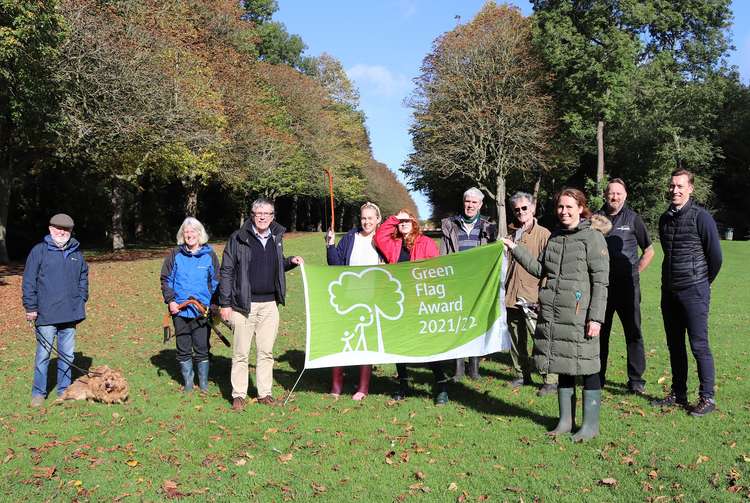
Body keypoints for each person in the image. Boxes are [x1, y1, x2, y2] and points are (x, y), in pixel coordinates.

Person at [503, 188, 610, 441]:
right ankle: (565, 421)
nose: (564, 212)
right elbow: (540, 268)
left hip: (581, 316)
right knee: (561, 365)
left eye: (569, 207)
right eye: (560, 207)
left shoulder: (592, 238)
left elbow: (601, 281)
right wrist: (515, 248)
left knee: (589, 367)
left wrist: (596, 317)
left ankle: (590, 426)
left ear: (581, 208)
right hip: (554, 314)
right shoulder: (555, 238)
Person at [219, 199, 304, 411]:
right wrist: (225, 303)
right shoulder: (238, 238)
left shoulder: (276, 237)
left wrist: (289, 261)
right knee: (241, 353)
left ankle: (264, 393)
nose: (263, 217)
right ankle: (239, 394)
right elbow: (227, 271)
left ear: (273, 216)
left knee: (266, 352)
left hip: (270, 305)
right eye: (259, 213)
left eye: (267, 213)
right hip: (243, 305)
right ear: (252, 215)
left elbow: (275, 264)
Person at [652, 169, 722, 417]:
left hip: (694, 291)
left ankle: (707, 398)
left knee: (699, 345)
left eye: (680, 186)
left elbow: (716, 257)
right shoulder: (665, 219)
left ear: (690, 188)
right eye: (672, 186)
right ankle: (678, 393)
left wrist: (702, 282)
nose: (675, 190)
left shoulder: (701, 217)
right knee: (674, 345)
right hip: (669, 292)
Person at [374, 208, 450, 405]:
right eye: (401, 221)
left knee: (429, 343)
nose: (404, 223)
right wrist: (395, 218)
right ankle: (403, 383)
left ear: (414, 222)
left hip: (421, 301)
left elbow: (435, 271)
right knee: (400, 343)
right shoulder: (393, 243)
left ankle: (441, 385)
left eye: (407, 220)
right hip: (399, 302)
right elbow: (380, 234)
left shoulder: (426, 243)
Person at [22, 214, 89, 408]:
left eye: (65, 229)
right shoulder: (39, 251)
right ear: (50, 229)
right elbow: (28, 281)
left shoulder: (77, 252)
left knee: (67, 355)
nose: (61, 232)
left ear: (70, 232)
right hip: (45, 314)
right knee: (43, 355)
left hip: (70, 313)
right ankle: (38, 393)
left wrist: (82, 296)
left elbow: (83, 276)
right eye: (58, 228)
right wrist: (30, 307)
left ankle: (64, 391)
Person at [596, 179, 654, 393]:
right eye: (611, 193)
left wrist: (635, 271)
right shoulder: (596, 218)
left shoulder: (633, 219)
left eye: (619, 193)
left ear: (625, 195)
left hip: (628, 287)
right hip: (602, 287)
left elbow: (649, 250)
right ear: (606, 195)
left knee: (633, 332)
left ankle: (636, 380)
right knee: (600, 332)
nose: (615, 197)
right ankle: (597, 377)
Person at [325, 202, 384, 400]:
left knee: (365, 342)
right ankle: (336, 385)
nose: (366, 221)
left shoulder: (383, 240)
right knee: (341, 340)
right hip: (348, 298)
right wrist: (330, 244)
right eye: (364, 218)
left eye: (370, 218)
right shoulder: (350, 238)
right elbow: (335, 264)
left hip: (372, 299)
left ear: (378, 220)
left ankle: (363, 387)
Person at [440, 187, 497, 380]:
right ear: (463, 203)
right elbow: (444, 254)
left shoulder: (489, 227)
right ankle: (458, 369)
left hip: (479, 283)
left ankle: (474, 368)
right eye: (468, 201)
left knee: (476, 324)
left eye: (474, 202)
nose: (470, 205)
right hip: (457, 282)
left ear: (481, 205)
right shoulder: (450, 225)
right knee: (458, 324)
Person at [503, 192, 556, 396]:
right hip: (511, 294)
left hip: (533, 295)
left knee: (540, 338)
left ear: (533, 208)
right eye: (516, 209)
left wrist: (544, 295)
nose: (520, 212)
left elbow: (548, 268)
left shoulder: (544, 234)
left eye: (524, 208)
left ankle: (549, 379)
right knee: (516, 339)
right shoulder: (509, 234)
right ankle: (521, 374)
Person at [160, 217, 220, 393]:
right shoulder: (175, 254)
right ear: (182, 235)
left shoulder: (210, 255)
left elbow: (217, 281)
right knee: (183, 347)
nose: (189, 235)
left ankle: (203, 385)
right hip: (179, 310)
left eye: (193, 231)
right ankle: (188, 384)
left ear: (199, 234)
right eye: (186, 232)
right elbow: (166, 279)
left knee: (201, 347)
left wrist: (215, 306)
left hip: (202, 311)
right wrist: (171, 301)